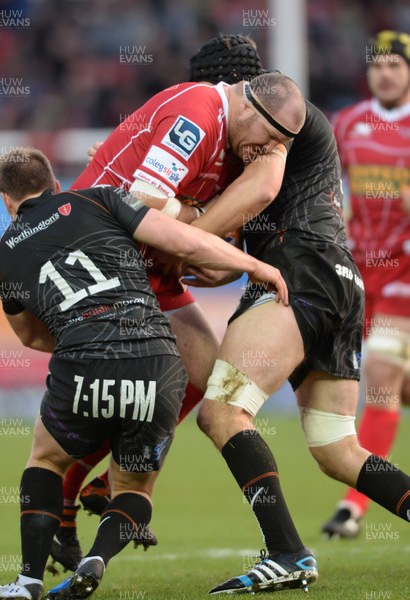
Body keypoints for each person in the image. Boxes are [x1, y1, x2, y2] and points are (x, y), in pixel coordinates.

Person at [0, 148, 288, 600]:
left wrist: (88, 338)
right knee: (135, 487)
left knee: (45, 460)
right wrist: (256, 266)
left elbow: (31, 339)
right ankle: (98, 556)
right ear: (57, 184)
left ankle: (27, 582)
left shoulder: (2, 258)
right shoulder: (100, 198)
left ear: (5, 201)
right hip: (159, 361)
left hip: (82, 361)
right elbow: (186, 242)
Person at [48, 35, 298, 572]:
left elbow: (204, 257)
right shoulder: (195, 113)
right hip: (105, 263)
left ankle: (100, 487)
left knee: (210, 378)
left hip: (146, 266)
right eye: (268, 138)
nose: (268, 149)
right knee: (140, 384)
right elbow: (144, 203)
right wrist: (196, 230)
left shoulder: (236, 142)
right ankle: (71, 498)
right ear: (245, 100)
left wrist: (194, 235)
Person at [174, 68, 410, 594]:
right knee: (336, 447)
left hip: (298, 274)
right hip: (338, 279)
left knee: (223, 411)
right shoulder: (281, 133)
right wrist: (194, 255)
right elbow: (226, 264)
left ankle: (287, 554)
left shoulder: (274, 127)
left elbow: (249, 206)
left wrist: (176, 235)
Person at [321, 30, 410, 538]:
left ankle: (353, 507)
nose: (385, 72)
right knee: (386, 384)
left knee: (378, 374)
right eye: (378, 64)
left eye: (396, 64)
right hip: (358, 273)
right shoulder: (349, 124)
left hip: (405, 275)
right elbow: (335, 190)